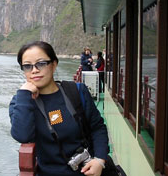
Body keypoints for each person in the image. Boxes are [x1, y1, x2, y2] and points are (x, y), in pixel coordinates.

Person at [9, 41, 109, 176]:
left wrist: (99, 160)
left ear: (54, 64)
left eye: (41, 63)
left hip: (88, 170)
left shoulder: (76, 91)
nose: (34, 70)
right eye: (27, 66)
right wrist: (24, 93)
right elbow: (22, 135)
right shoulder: (21, 103)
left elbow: (97, 127)